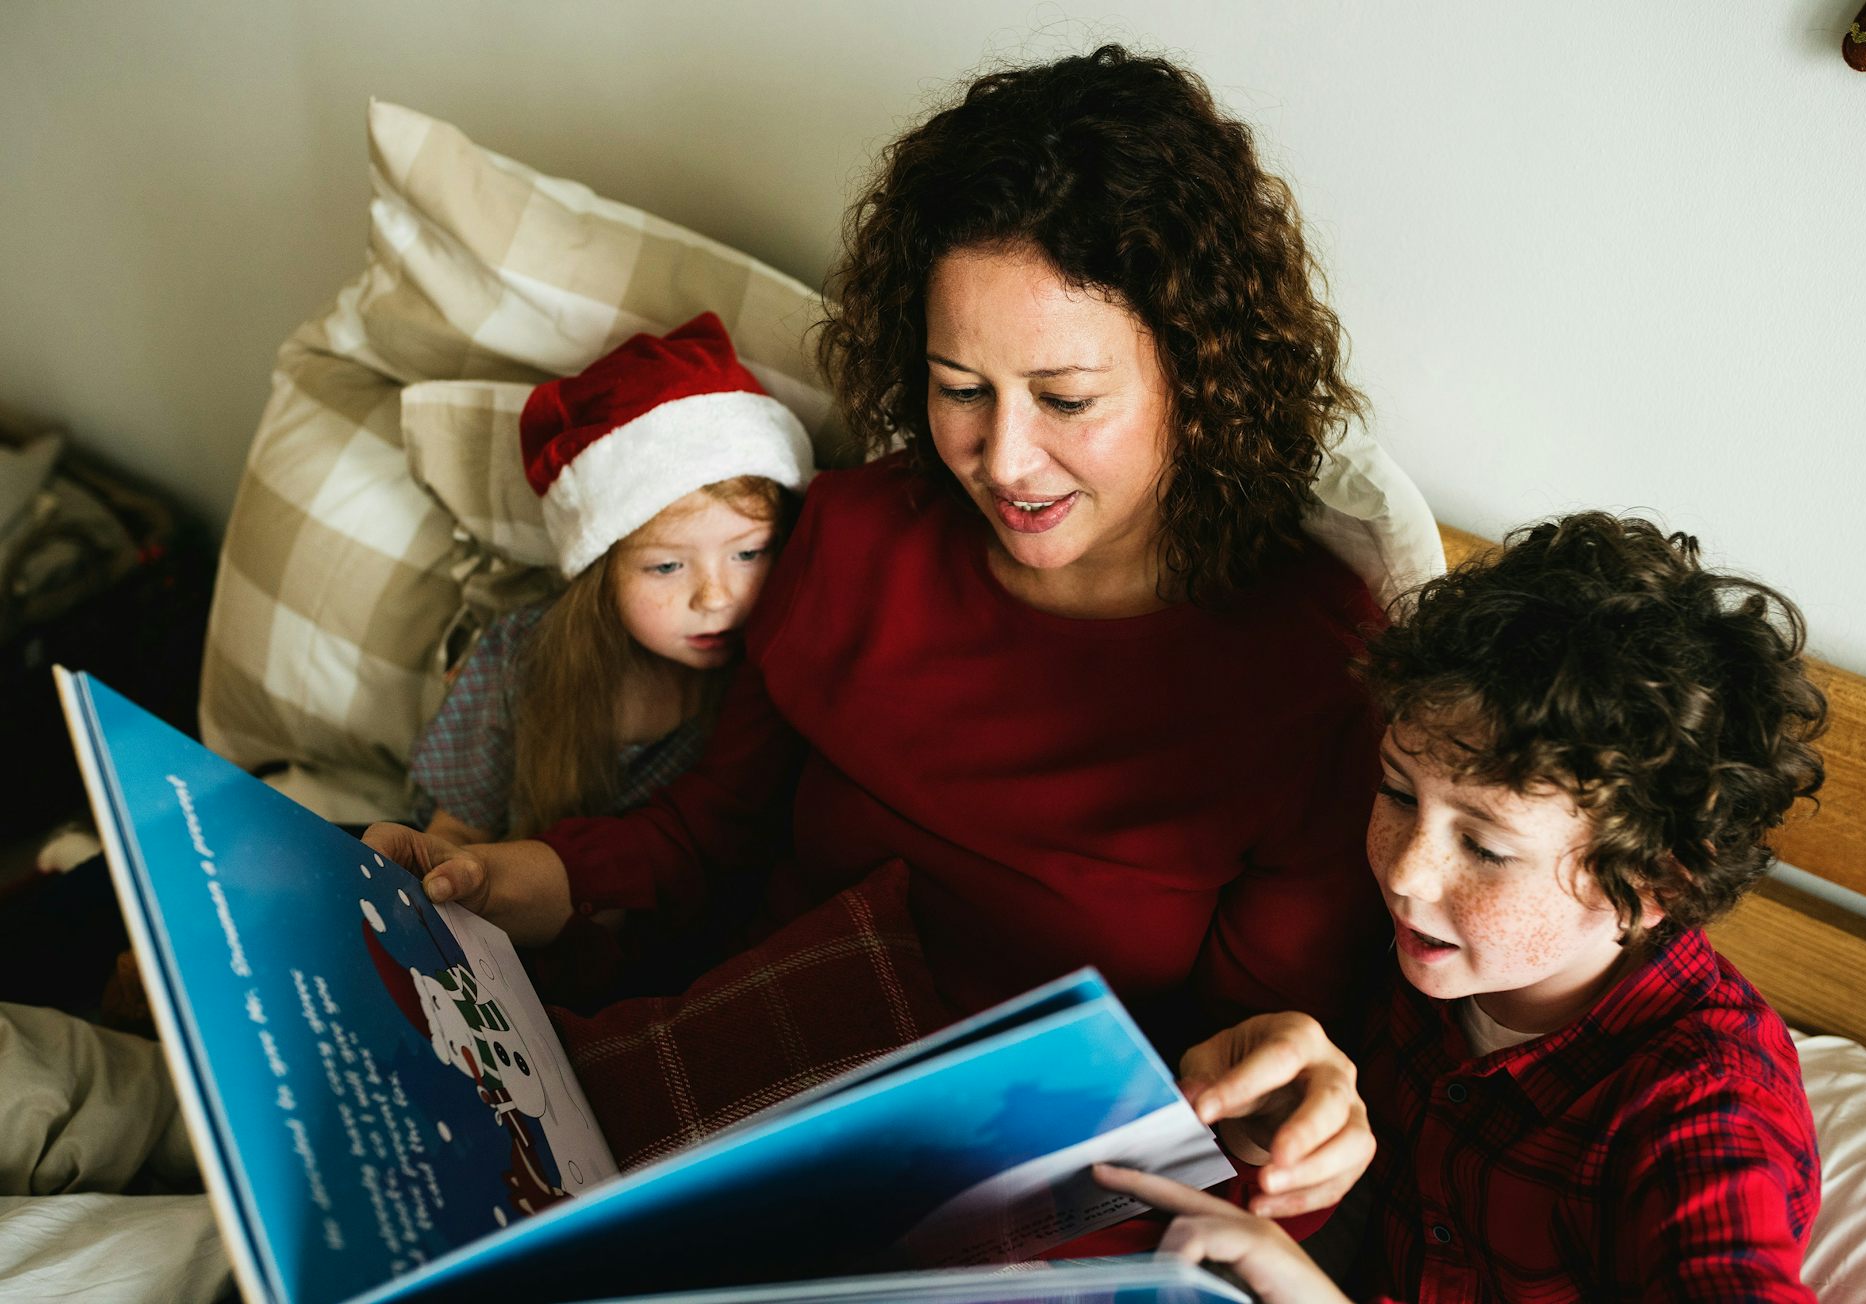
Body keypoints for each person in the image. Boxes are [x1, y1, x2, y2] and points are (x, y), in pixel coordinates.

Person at [365, 44, 1388, 1211]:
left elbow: (1248, 1063)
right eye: (960, 387)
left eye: (1065, 399)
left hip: (1009, 1184)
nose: (1001, 462)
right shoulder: (857, 536)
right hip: (722, 1088)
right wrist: (506, 882)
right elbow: (709, 838)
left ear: (1198, 378)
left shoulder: (1310, 673)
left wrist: (1289, 1119)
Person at [1099, 512, 1828, 1300]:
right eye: (1398, 793)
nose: (1409, 872)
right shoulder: (1416, 953)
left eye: (1486, 848)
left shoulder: (1705, 1106)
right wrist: (1259, 1128)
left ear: (1659, 884)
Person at [409, 311, 811, 846]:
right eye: (666, 566)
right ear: (600, 573)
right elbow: (455, 833)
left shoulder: (772, 682)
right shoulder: (519, 660)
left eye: (750, 553)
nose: (716, 598)